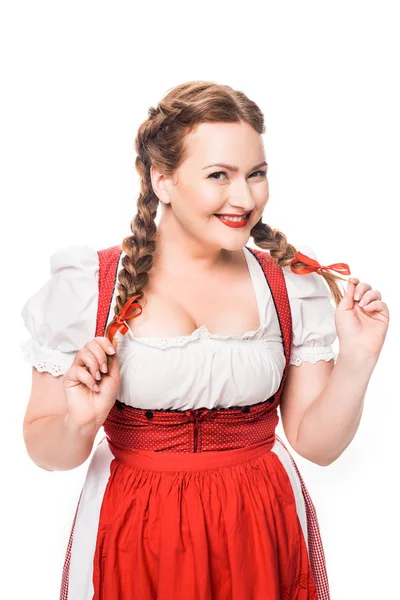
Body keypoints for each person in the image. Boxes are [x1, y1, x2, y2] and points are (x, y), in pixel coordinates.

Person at [21, 81, 389, 600]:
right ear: (162, 179)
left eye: (256, 175)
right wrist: (78, 422)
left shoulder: (289, 284)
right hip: (135, 532)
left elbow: (317, 446)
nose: (245, 198)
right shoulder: (90, 286)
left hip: (261, 526)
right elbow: (45, 451)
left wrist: (357, 361)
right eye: (220, 175)